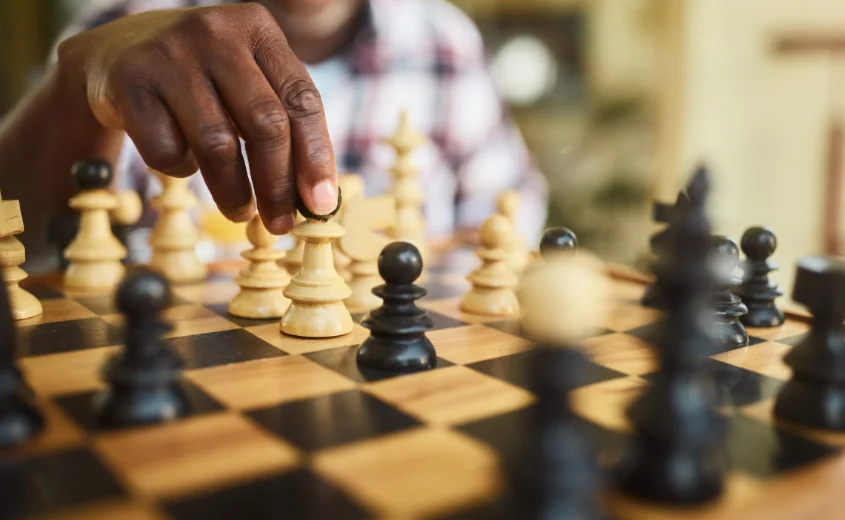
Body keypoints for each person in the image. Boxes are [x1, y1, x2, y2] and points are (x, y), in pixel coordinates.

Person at [0, 0, 547, 269]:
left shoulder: (446, 43)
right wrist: (77, 84)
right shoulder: (122, 27)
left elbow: (505, 221)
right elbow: (21, 238)